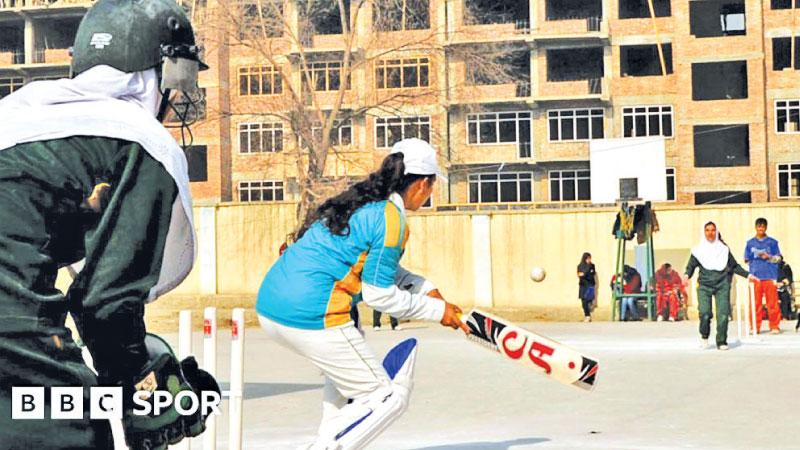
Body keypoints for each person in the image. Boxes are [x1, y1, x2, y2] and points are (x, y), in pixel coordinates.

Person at [0, 0, 219, 448]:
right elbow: (105, 302)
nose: (178, 93)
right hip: (12, 330)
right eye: (179, 77)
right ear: (159, 71)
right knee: (69, 428)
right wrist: (142, 387)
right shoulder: (138, 139)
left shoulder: (18, 112)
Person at [256, 138, 468, 450]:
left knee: (346, 388)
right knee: (386, 397)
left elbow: (372, 264)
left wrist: (424, 288)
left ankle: (328, 440)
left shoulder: (361, 204)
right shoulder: (391, 219)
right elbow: (379, 295)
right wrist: (439, 312)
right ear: (423, 184)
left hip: (272, 308)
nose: (431, 193)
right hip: (313, 314)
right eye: (433, 186)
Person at [684, 222, 754, 350]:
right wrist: (686, 276)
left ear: (716, 232)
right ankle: (704, 336)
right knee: (705, 313)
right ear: (703, 232)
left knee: (723, 314)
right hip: (704, 285)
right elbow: (691, 266)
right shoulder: (698, 250)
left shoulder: (724, 249)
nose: (710, 233)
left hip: (722, 284)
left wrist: (748, 275)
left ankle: (721, 341)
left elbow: (734, 266)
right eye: (707, 230)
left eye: (713, 230)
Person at [743, 218, 783, 334]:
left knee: (772, 303)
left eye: (763, 227)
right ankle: (755, 326)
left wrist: (769, 257)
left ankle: (774, 325)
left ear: (766, 227)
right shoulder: (750, 243)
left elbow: (779, 258)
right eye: (759, 227)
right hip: (756, 277)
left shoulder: (773, 242)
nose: (761, 229)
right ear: (755, 227)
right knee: (755, 303)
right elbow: (746, 259)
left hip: (770, 276)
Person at [577, 252, 597, 322]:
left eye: (590, 258)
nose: (589, 259)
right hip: (583, 285)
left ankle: (588, 313)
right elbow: (579, 274)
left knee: (588, 300)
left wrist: (585, 274)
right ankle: (587, 316)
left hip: (590, 285)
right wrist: (586, 273)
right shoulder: (580, 266)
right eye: (588, 258)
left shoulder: (592, 265)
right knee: (583, 301)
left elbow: (592, 274)